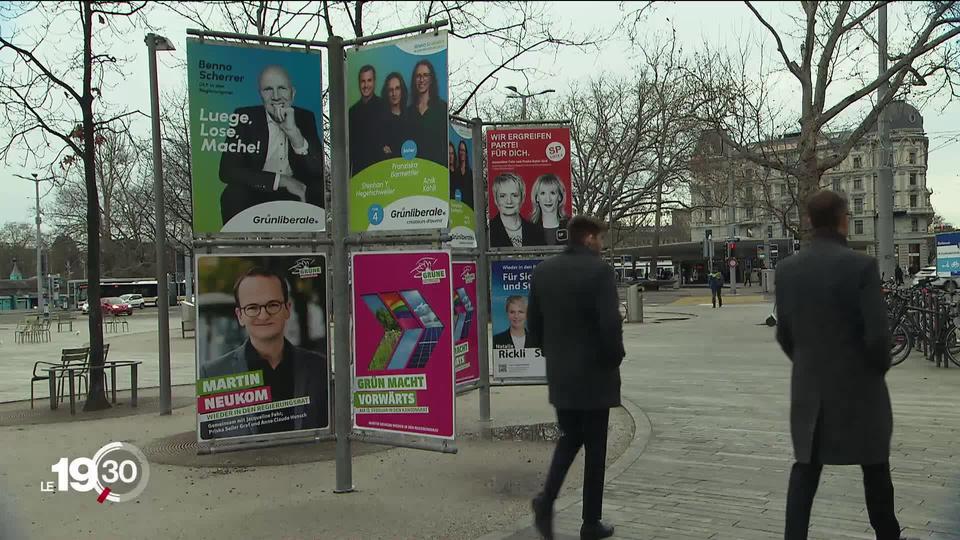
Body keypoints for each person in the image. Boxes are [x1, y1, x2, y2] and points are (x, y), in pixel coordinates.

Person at [774, 190, 915, 540]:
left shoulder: (787, 269)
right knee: (875, 468)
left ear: (808, 222)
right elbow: (879, 337)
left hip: (810, 391)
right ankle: (887, 535)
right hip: (860, 390)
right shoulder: (862, 266)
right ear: (843, 220)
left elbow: (784, 334)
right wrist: (874, 372)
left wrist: (809, 365)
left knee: (805, 471)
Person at [527, 216, 624, 540]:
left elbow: (534, 327)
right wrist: (614, 359)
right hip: (595, 376)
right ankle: (590, 522)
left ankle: (546, 502)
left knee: (570, 437)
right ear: (588, 239)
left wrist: (555, 356)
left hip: (561, 376)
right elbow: (610, 326)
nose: (602, 244)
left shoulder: (544, 271)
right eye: (599, 238)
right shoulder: (600, 271)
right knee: (595, 448)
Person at [200, 267, 328, 437]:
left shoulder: (319, 367)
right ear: (240, 316)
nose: (263, 315)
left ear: (287, 309)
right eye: (252, 308)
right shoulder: (212, 374)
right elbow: (208, 438)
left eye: (272, 305)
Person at [218, 65, 324, 224]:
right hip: (258, 190)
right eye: (268, 89)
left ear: (292, 93)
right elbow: (227, 171)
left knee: (317, 189)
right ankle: (237, 245)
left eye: (282, 88)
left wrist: (294, 133)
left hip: (297, 192)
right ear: (260, 95)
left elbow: (317, 169)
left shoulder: (305, 118)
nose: (276, 96)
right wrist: (281, 180)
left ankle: (314, 246)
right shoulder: (244, 116)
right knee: (233, 193)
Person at [407, 59, 447, 165]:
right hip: (413, 171)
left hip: (436, 172)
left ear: (431, 79)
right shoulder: (408, 112)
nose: (421, 80)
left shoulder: (442, 108)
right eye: (418, 76)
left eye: (425, 75)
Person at [489, 172, 546, 248]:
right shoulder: (488, 232)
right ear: (496, 199)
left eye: (514, 195)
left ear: (522, 198)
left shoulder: (536, 231)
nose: (509, 201)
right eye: (502, 196)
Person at [349, 65, 382, 175]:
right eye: (363, 81)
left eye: (369, 80)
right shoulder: (352, 112)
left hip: (382, 174)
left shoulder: (384, 107)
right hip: (359, 177)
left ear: (374, 82)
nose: (366, 85)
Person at [529, 173, 570, 246]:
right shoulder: (529, 228)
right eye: (543, 193)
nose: (548, 199)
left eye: (552, 193)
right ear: (537, 198)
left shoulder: (571, 227)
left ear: (560, 197)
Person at [378, 72, 409, 161]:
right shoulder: (381, 120)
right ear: (386, 93)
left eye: (397, 88)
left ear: (402, 91)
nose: (394, 93)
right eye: (390, 90)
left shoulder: (410, 117)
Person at [451, 140, 474, 208]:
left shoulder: (471, 173)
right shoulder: (454, 172)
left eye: (463, 150)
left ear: (466, 153)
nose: (462, 153)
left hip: (469, 208)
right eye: (460, 150)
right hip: (458, 207)